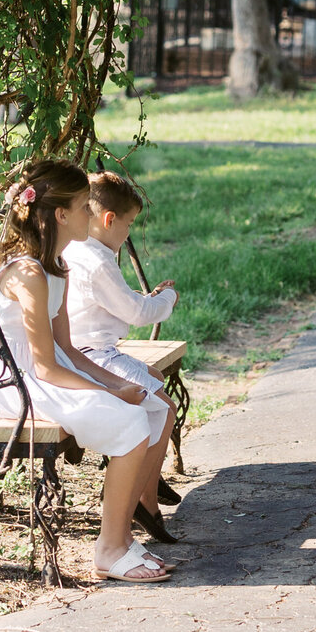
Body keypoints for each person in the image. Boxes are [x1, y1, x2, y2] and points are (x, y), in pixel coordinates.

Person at [0, 159, 174, 583]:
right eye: (85, 207)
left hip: (48, 367)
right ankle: (108, 550)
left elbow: (67, 348)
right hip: (9, 378)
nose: (92, 215)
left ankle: (122, 537)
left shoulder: (57, 266)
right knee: (128, 419)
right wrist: (109, 394)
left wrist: (117, 382)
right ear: (61, 215)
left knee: (153, 408)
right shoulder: (28, 272)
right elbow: (47, 365)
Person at [62, 170, 180, 543]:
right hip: (91, 355)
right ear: (110, 220)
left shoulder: (79, 250)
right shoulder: (96, 260)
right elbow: (138, 315)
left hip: (89, 349)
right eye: (129, 224)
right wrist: (166, 300)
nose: (129, 232)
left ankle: (149, 475)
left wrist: (141, 300)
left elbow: (115, 305)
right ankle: (144, 500)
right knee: (165, 406)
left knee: (156, 381)